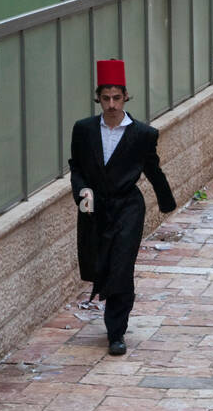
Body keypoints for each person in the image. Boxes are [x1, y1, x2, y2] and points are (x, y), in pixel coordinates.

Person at [69, 58, 177, 356]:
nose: (112, 104)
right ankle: (112, 316)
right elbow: (76, 168)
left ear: (126, 96)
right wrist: (82, 192)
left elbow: (152, 169)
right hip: (95, 209)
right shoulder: (84, 130)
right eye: (106, 98)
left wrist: (166, 202)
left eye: (117, 97)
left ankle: (116, 331)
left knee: (121, 267)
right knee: (100, 264)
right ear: (98, 98)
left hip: (128, 207)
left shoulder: (143, 134)